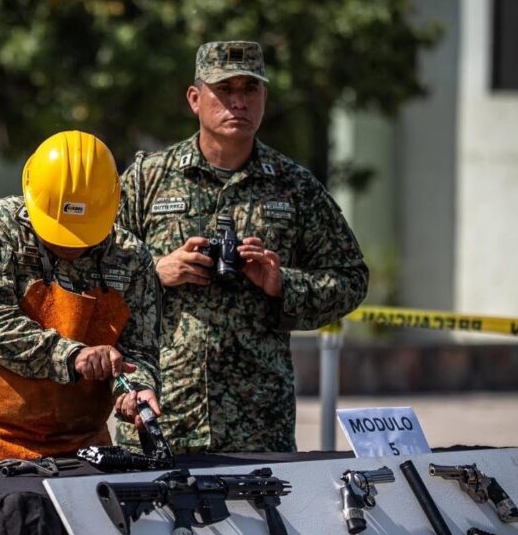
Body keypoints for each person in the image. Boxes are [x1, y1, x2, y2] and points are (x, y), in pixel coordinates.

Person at [117, 41, 368, 454]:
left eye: (250, 89)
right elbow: (93, 275)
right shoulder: (147, 180)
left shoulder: (294, 186)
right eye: (224, 89)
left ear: (264, 98)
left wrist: (282, 284)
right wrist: (155, 272)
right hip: (162, 416)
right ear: (195, 98)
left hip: (259, 423)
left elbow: (351, 279)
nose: (238, 102)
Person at [0, 131, 162, 461]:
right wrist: (72, 356)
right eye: (58, 230)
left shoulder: (131, 258)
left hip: (80, 444)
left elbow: (140, 349)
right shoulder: (1, 227)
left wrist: (138, 389)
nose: (68, 243)